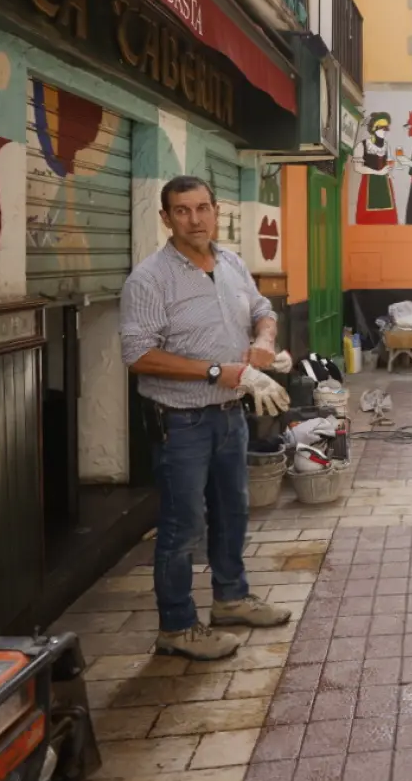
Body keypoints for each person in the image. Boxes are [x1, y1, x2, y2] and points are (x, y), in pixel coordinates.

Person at [120, 176, 293, 660]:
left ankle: (231, 598)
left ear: (217, 211)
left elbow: (262, 309)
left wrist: (263, 342)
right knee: (183, 524)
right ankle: (176, 627)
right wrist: (219, 370)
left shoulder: (232, 262)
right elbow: (137, 354)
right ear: (165, 218)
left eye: (202, 208)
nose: (194, 220)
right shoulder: (150, 279)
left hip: (229, 415)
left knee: (233, 511)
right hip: (180, 422)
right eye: (181, 211)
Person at [352, 113, 398, 225]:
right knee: (369, 217)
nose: (385, 131)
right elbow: (358, 167)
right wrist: (378, 172)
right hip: (369, 183)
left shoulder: (387, 146)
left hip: (385, 184)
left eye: (387, 128)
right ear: (374, 128)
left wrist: (389, 171)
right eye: (382, 128)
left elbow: (389, 162)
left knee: (387, 217)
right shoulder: (362, 145)